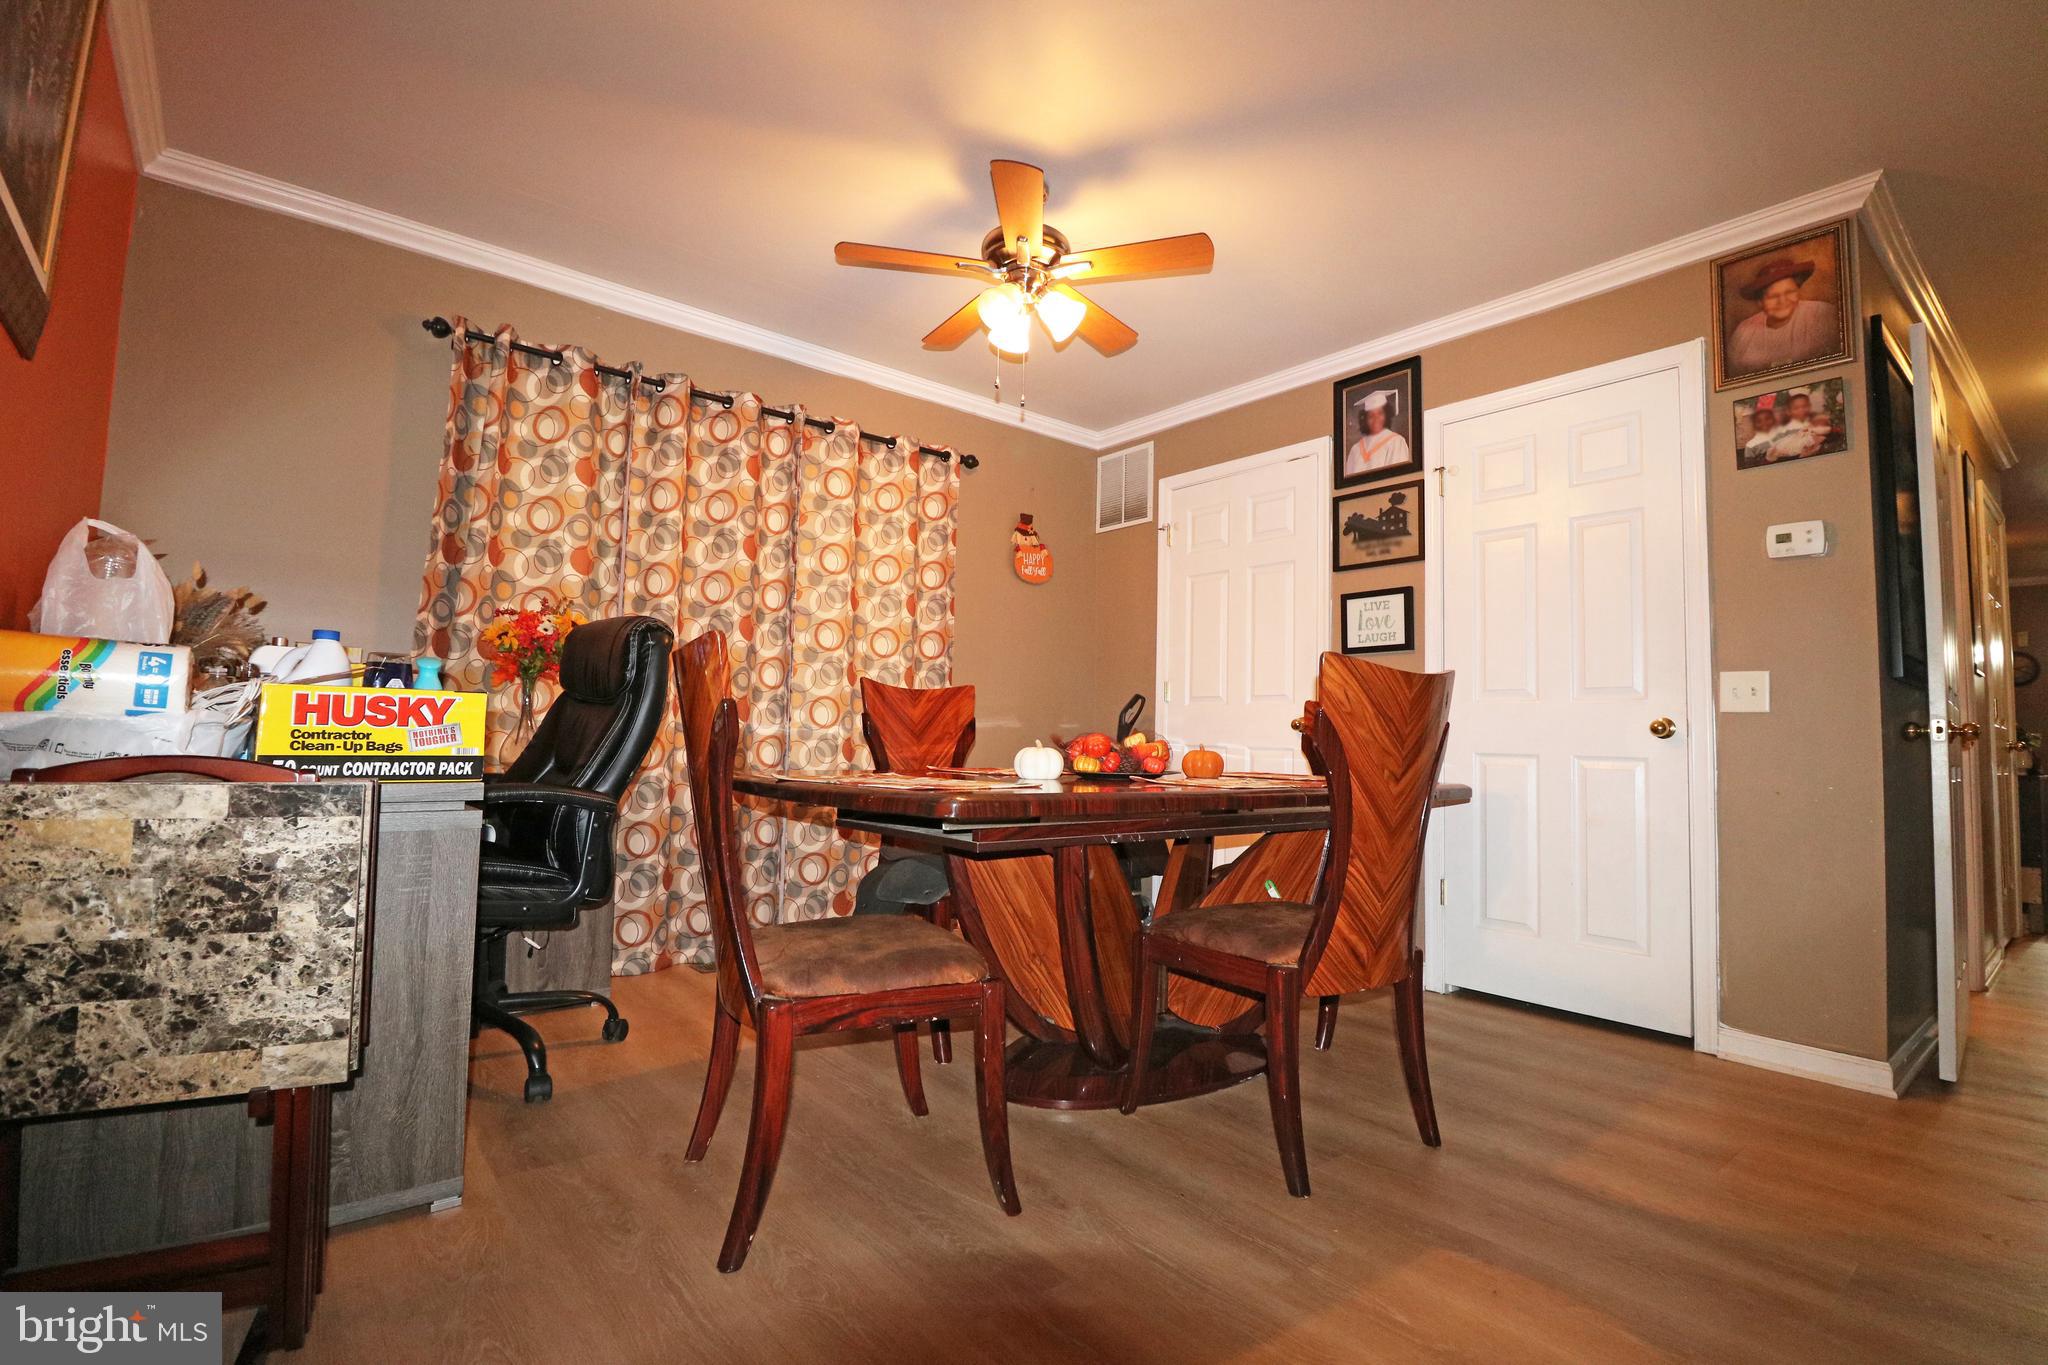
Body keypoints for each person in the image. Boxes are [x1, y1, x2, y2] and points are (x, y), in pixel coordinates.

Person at [1726, 255, 1841, 376]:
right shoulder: (1743, 332)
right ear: (1760, 302)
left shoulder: (1822, 314)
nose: (1782, 301)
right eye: (1773, 296)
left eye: (1789, 292)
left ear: (1798, 291)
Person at [1344, 389, 1411, 478]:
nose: (1376, 419)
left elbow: (1397, 478)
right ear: (1365, 419)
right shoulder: (1355, 449)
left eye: (1380, 413)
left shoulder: (1396, 442)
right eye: (1371, 415)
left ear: (1387, 414)